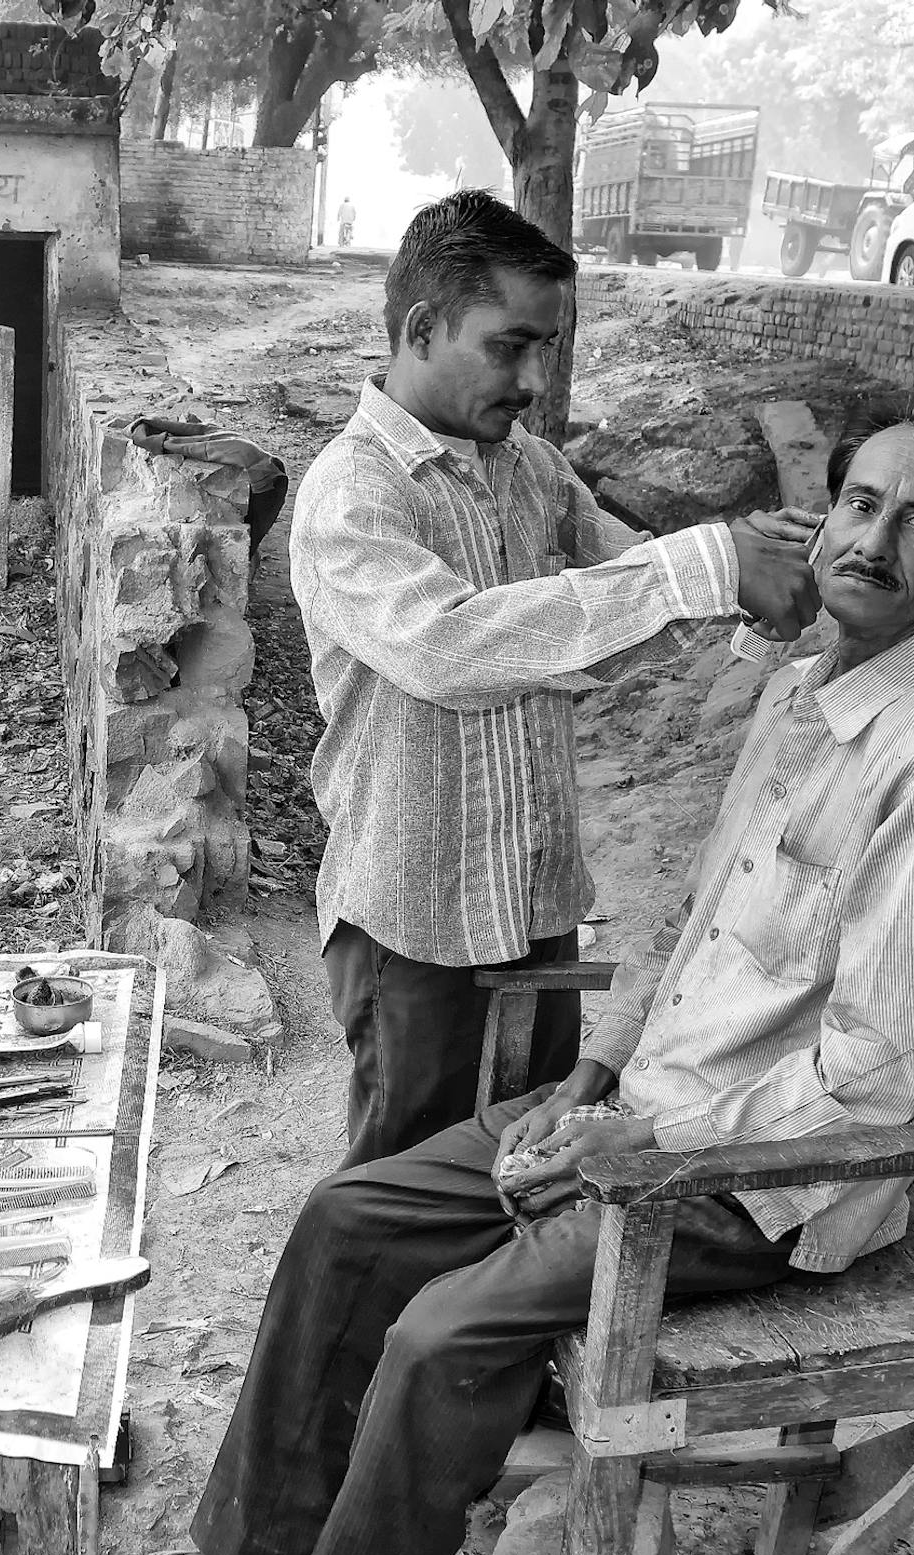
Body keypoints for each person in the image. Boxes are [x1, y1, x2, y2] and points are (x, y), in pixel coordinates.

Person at [101, 393, 914, 1555]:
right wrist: (601, 1077)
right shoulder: (803, 691)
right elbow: (696, 927)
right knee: (352, 1215)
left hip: (765, 1181)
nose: (871, 541)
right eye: (860, 504)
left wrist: (642, 1142)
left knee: (442, 1336)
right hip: (652, 1109)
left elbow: (871, 1076)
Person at [290, 189, 820, 1170]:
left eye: (548, 350)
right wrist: (696, 569)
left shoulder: (527, 466)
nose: (534, 378)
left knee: (538, 1172)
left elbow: (619, 596)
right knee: (406, 1196)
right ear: (419, 328)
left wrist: (751, 576)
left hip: (538, 909)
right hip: (418, 925)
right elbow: (452, 650)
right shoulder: (351, 496)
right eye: (510, 346)